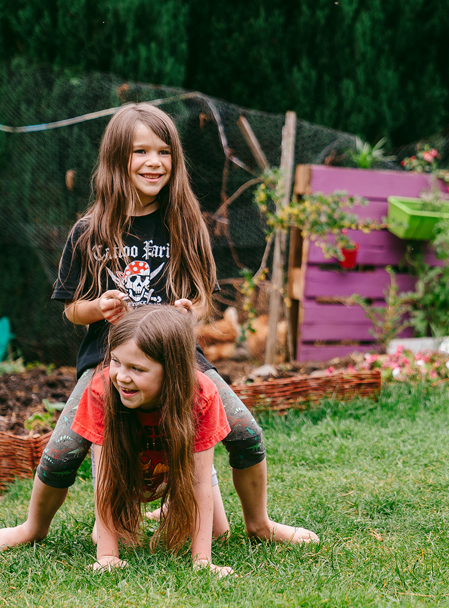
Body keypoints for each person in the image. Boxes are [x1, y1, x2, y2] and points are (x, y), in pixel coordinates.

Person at [0, 102, 318, 551]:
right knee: (62, 452)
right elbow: (71, 309)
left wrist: (192, 315)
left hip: (178, 357)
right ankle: (33, 527)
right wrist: (98, 306)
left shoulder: (185, 224)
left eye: (164, 152)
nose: (154, 162)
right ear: (116, 160)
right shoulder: (89, 231)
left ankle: (260, 524)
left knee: (246, 433)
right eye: (140, 152)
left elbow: (205, 297)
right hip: (109, 362)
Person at [78, 305, 233, 575]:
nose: (122, 377)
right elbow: (104, 477)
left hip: (182, 465)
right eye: (116, 362)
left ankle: (172, 504)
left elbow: (199, 481)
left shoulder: (202, 395)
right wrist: (107, 555)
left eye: (137, 368)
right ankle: (135, 516)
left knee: (220, 534)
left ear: (172, 370)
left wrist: (202, 562)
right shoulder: (102, 390)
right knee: (107, 537)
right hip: (126, 471)